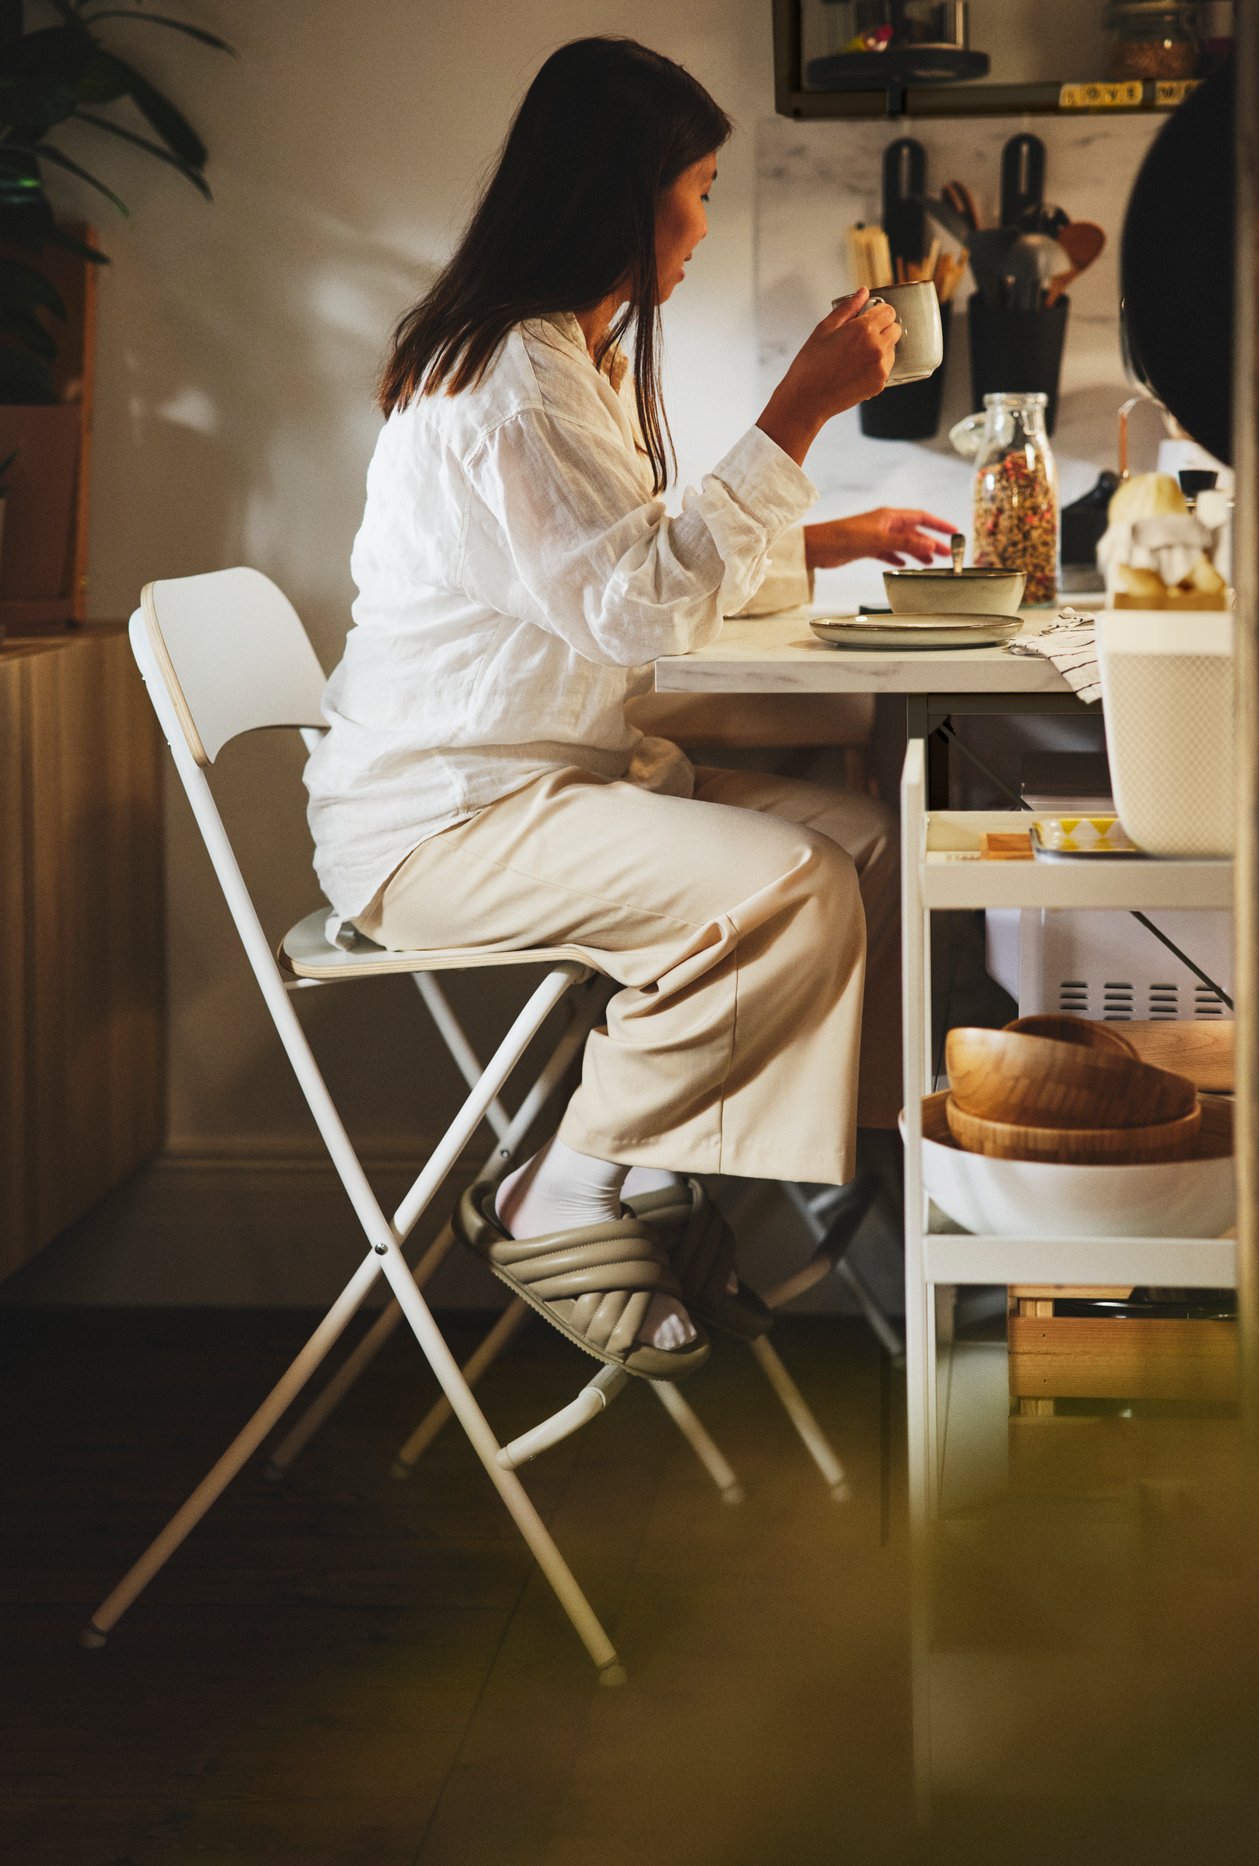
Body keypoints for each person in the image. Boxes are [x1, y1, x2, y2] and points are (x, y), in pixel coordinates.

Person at [305, 37, 955, 1380]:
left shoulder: (565, 357)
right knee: (788, 888)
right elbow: (641, 607)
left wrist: (827, 543)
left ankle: (708, 1184)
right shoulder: (509, 382)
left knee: (879, 845)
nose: (705, 226)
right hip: (448, 820)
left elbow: (624, 562)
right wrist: (796, 413)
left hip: (556, 778)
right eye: (699, 189)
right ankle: (571, 1189)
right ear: (618, 193)